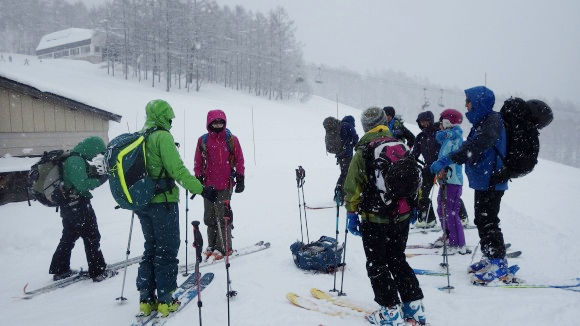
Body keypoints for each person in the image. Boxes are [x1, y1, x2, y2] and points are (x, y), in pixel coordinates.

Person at [344, 107, 426, 326]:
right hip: (402, 215)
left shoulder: (363, 150)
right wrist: (413, 206)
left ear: (364, 126)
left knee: (377, 264)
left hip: (376, 218)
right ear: (384, 123)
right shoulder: (400, 146)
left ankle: (390, 312)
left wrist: (351, 212)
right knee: (398, 259)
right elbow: (415, 179)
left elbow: (352, 186)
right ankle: (415, 307)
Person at [136, 99, 217, 318]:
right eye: (169, 117)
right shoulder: (162, 136)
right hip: (162, 202)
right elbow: (177, 170)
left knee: (151, 248)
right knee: (167, 249)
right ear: (163, 116)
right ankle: (165, 300)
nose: (171, 121)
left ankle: (146, 299)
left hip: (143, 201)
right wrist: (201, 189)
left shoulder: (141, 136)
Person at [430, 86, 514, 284]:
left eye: (469, 101)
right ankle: (490, 256)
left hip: (492, 179)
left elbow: (476, 146)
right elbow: (472, 146)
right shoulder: (483, 121)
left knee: (488, 220)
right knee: (481, 219)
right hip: (484, 180)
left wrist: (449, 159)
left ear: (479, 103)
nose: (466, 105)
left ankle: (498, 262)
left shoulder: (492, 121)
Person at [49, 136, 112, 283]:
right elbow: (82, 185)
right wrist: (100, 180)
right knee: (92, 237)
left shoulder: (76, 158)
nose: (96, 156)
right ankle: (98, 272)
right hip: (78, 206)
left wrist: (97, 172)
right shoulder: (75, 161)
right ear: (91, 148)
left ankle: (60, 269)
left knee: (69, 237)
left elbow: (82, 176)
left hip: (69, 207)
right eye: (97, 152)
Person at [194, 109, 244, 261]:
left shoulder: (231, 140)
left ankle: (225, 247)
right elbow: (198, 161)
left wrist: (240, 177)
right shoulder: (203, 140)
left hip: (225, 184)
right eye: (214, 122)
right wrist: (198, 176)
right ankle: (212, 245)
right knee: (209, 217)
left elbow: (240, 159)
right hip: (208, 186)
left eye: (220, 122)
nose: (218, 125)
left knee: (223, 217)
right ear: (209, 123)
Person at [431, 109, 469, 255]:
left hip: (453, 179)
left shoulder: (455, 136)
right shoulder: (448, 137)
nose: (440, 124)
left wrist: (444, 167)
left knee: (451, 212)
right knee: (441, 209)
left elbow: (454, 156)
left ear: (448, 122)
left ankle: (458, 243)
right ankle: (448, 235)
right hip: (445, 179)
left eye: (442, 121)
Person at [411, 111, 440, 228]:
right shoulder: (420, 137)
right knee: (422, 192)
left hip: (441, 167)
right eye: (421, 122)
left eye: (426, 121)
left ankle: (462, 216)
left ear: (431, 121)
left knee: (447, 193)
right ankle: (428, 219)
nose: (423, 124)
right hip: (428, 168)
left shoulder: (439, 134)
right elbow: (415, 153)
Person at [326, 115, 359, 204]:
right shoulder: (348, 126)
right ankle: (339, 194)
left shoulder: (339, 126)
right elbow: (355, 138)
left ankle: (341, 193)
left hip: (340, 155)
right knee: (346, 174)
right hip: (347, 155)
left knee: (345, 173)